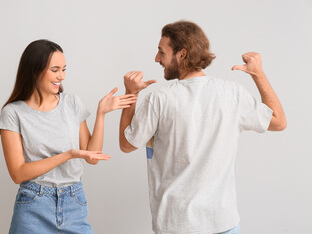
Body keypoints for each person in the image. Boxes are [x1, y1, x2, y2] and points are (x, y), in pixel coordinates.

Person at [119, 21, 286, 234]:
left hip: (177, 226)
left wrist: (131, 94)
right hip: (224, 224)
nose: (157, 59)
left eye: (162, 52)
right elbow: (279, 122)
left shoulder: (160, 99)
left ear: (182, 54)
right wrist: (258, 74)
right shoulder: (231, 93)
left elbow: (126, 144)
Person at [0, 39, 137, 234]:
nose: (61, 76)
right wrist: (68, 155)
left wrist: (101, 114)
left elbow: (92, 157)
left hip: (74, 202)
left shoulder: (72, 103)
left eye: (64, 69)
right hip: (33, 205)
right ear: (35, 70)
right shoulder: (13, 113)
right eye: (55, 70)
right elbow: (18, 173)